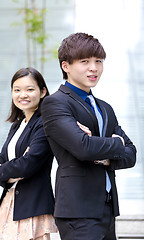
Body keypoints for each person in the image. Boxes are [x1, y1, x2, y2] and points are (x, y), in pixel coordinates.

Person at [41, 33, 136, 240]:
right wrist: (116, 142)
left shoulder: (105, 108)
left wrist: (105, 154)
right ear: (66, 66)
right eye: (85, 61)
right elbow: (83, 147)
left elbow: (131, 154)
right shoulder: (56, 103)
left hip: (108, 208)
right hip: (78, 210)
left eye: (98, 61)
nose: (94, 68)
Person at [0, 67, 57, 240]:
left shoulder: (44, 124)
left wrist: (1, 171)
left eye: (29, 89)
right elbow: (3, 161)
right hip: (10, 204)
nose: (22, 95)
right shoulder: (17, 125)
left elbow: (28, 165)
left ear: (42, 92)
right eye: (17, 90)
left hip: (32, 207)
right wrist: (9, 172)